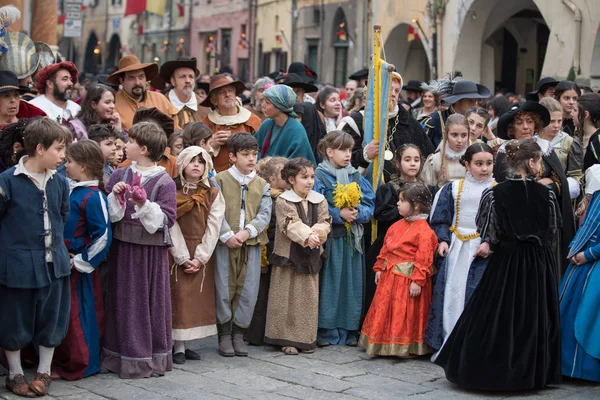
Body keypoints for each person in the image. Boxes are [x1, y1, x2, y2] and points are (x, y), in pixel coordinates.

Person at [435, 139, 561, 391]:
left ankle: (490, 367)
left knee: (498, 312)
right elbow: (552, 230)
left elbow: (488, 232)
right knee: (533, 313)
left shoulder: (494, 193)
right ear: (532, 162)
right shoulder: (546, 194)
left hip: (507, 260)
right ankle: (531, 372)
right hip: (538, 261)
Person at [0, 118, 72, 397]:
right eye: (58, 149)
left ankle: (44, 371)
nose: (63, 155)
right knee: (14, 317)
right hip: (17, 264)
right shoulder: (7, 181)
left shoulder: (60, 181)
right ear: (40, 149)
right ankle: (15, 374)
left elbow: (62, 215)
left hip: (54, 263)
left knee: (51, 317)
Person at [102, 121, 177, 378]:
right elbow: (110, 215)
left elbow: (166, 220)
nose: (126, 145)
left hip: (150, 254)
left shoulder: (164, 181)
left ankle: (148, 358)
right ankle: (120, 356)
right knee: (123, 300)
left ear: (143, 149)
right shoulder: (118, 175)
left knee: (148, 302)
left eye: (130, 142)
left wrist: (145, 204)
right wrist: (117, 198)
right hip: (123, 249)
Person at [425, 143, 496, 353]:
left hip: (480, 249)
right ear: (467, 164)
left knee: (474, 292)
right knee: (451, 292)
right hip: (456, 246)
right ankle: (448, 337)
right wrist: (443, 239)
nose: (484, 169)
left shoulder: (496, 190)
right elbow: (441, 218)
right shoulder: (453, 189)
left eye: (489, 164)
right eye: (479, 164)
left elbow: (501, 222)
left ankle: (472, 343)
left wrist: (490, 242)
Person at [52, 140, 112, 381]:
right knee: (66, 313)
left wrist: (81, 261)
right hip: (63, 260)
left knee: (80, 313)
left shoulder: (93, 196)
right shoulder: (75, 190)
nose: (66, 165)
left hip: (78, 266)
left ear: (84, 166)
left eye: (70, 161)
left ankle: (83, 363)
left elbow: (104, 235)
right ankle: (64, 359)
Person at [494, 101, 575, 277]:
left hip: (542, 221)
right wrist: (536, 185)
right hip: (515, 224)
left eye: (530, 122)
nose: (525, 127)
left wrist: (546, 186)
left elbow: (560, 182)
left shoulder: (545, 148)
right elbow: (502, 186)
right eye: (519, 122)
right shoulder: (505, 151)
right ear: (511, 127)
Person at [359, 183, 437, 357]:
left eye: (402, 201)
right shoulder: (396, 226)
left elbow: (424, 258)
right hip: (390, 278)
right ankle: (382, 342)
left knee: (404, 312)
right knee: (387, 309)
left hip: (407, 280)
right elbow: (386, 248)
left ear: (416, 205)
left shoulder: (425, 231)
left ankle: (403, 345)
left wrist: (417, 280)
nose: (397, 204)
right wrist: (379, 266)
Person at [313, 131, 375, 347]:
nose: (348, 154)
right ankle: (327, 331)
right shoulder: (319, 176)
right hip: (332, 240)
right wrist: (338, 215)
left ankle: (349, 331)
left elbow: (370, 205)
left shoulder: (355, 176)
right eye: (342, 150)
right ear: (329, 152)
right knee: (331, 284)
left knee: (351, 285)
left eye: (350, 150)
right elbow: (315, 205)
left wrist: (357, 213)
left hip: (353, 242)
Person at [214, 133, 272, 357]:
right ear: (232, 156)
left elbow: (264, 214)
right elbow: (215, 211)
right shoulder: (219, 180)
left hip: (251, 243)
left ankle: (239, 333)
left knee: (248, 290)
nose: (251, 159)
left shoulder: (261, 184)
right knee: (223, 287)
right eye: (245, 154)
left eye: (254, 154)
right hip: (225, 243)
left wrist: (247, 232)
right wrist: (227, 234)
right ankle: (224, 334)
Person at [265, 158, 330, 355]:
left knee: (307, 298)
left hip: (310, 255)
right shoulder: (284, 200)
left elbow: (325, 221)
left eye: (311, 177)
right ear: (292, 179)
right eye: (304, 177)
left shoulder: (319, 199)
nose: (310, 181)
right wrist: (307, 236)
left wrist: (316, 234)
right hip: (288, 256)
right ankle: (285, 338)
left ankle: (305, 339)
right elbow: (290, 224)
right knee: (285, 297)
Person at [167, 146, 225, 364]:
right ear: (182, 164)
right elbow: (170, 224)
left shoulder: (213, 194)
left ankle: (184, 344)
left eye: (201, 162)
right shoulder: (172, 192)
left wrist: (200, 257)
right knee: (178, 296)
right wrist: (182, 257)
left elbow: (214, 226)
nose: (196, 165)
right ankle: (176, 345)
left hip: (201, 251)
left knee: (194, 299)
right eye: (192, 161)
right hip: (176, 252)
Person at [364, 144, 430, 312]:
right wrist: (406, 210)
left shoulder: (427, 189)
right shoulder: (389, 188)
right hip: (390, 245)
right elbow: (381, 214)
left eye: (416, 160)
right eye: (407, 160)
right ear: (398, 163)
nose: (413, 164)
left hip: (415, 246)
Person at [342, 71, 434, 183]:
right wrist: (364, 155)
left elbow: (427, 156)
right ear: (377, 91)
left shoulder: (408, 122)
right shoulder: (356, 121)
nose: (394, 94)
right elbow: (340, 160)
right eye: (389, 89)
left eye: (396, 90)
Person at [559, 167, 600, 383]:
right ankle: (568, 366)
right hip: (582, 261)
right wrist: (575, 248)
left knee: (589, 315)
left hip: (593, 262)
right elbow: (586, 227)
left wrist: (588, 254)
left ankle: (587, 369)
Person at [245, 156, 288, 346]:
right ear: (271, 179)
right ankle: (256, 333)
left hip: (276, 252)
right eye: (284, 174)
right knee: (261, 294)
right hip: (267, 251)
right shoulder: (270, 198)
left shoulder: (284, 196)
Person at [201, 74, 262, 172]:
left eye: (230, 91)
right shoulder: (205, 124)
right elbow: (196, 156)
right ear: (213, 100)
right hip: (216, 180)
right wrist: (211, 145)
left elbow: (261, 150)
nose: (228, 94)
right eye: (222, 93)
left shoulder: (253, 121)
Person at [107, 55, 179, 132]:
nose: (138, 82)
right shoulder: (113, 105)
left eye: (141, 77)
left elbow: (176, 132)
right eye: (131, 78)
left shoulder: (160, 99)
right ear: (121, 81)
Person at [254, 85, 316, 164]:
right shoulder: (267, 124)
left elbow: (299, 161)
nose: (263, 105)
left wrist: (273, 164)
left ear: (279, 106)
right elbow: (254, 148)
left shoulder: (296, 130)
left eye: (267, 103)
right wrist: (261, 162)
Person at [421, 79, 491, 148]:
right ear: (458, 100)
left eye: (475, 101)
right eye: (470, 100)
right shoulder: (432, 122)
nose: (474, 104)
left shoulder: (478, 126)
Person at [538, 97, 584, 193]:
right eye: (552, 121)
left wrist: (557, 187)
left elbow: (576, 177)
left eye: (559, 121)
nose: (556, 125)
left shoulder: (569, 142)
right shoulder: (532, 141)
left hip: (560, 198)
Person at [159, 56, 209, 128]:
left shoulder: (204, 107)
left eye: (191, 76)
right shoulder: (162, 105)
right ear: (173, 81)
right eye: (182, 76)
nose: (188, 81)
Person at [421, 114, 469, 187]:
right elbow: (427, 190)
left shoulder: (475, 158)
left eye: (464, 135)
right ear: (445, 134)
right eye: (454, 135)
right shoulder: (435, 160)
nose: (459, 140)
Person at [578, 93, 600, 170]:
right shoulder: (577, 136)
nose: (571, 114)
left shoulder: (597, 140)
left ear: (585, 114)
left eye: (574, 110)